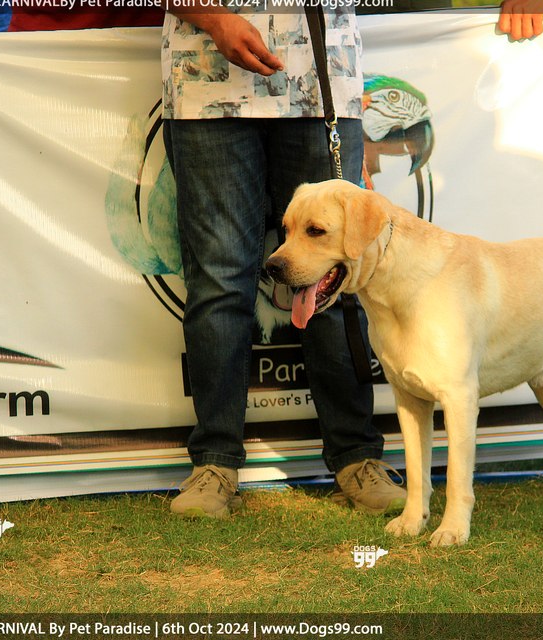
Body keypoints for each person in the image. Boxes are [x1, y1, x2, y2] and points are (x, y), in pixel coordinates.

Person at [161, 6, 407, 518]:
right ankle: (213, 465)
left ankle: (357, 458)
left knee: (339, 276)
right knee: (219, 282)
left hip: (321, 77)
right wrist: (212, 17)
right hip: (204, 79)